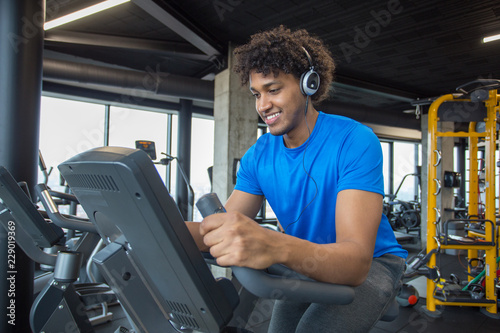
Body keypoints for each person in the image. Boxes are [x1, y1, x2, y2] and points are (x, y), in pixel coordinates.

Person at [188, 25, 408, 332]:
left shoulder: (354, 140)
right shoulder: (258, 156)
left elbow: (355, 262)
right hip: (304, 259)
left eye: (273, 90)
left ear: (309, 84)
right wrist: (157, 229)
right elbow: (225, 225)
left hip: (374, 264)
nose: (262, 105)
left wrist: (275, 244)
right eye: (256, 94)